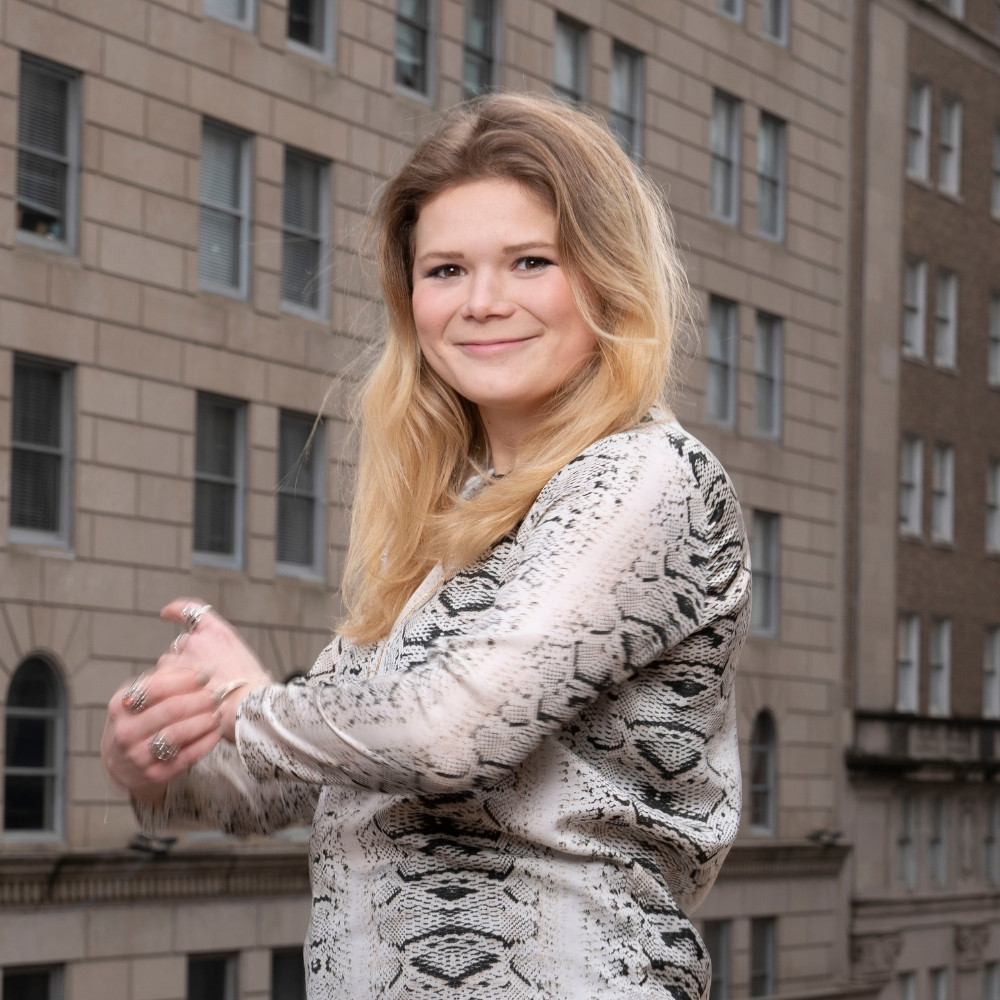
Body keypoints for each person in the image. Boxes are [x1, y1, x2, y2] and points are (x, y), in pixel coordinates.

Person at [102, 92, 751, 999]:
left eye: (531, 261)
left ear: (607, 276)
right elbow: (287, 787)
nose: (482, 303)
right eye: (445, 270)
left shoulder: (645, 476)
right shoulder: (451, 522)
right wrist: (164, 748)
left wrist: (252, 704)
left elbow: (446, 733)